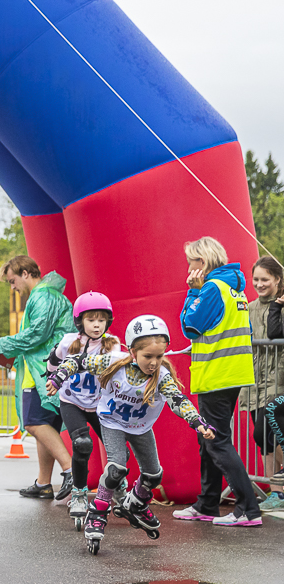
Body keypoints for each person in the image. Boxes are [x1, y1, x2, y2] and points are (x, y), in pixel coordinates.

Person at [47, 315, 218, 554]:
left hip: (140, 427)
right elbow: (77, 360)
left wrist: (197, 421)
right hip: (112, 422)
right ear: (132, 350)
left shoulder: (161, 376)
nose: (154, 363)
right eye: (148, 356)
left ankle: (134, 504)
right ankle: (98, 512)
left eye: (159, 356)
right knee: (116, 468)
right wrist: (58, 376)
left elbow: (177, 400)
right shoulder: (113, 362)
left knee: (154, 475)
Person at [175, 237, 261, 526]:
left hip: (216, 374)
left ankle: (248, 509)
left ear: (203, 263)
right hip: (232, 373)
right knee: (207, 439)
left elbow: (190, 325)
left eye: (191, 261)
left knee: (217, 442)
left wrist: (192, 292)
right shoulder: (234, 289)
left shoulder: (212, 288)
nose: (188, 267)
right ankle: (207, 503)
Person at [0, 255, 76, 501]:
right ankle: (43, 482)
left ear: (26, 273)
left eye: (12, 280)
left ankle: (70, 470)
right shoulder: (48, 295)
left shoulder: (43, 296)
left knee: (33, 423)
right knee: (45, 426)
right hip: (50, 368)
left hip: (41, 371)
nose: (13, 287)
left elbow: (38, 333)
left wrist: (4, 343)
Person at [44, 292, 124, 530]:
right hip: (71, 401)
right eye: (91, 319)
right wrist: (52, 378)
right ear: (81, 321)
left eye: (101, 319)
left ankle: (118, 486)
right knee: (82, 444)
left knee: (120, 453)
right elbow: (52, 363)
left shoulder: (113, 344)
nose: (97, 324)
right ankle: (79, 492)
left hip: (100, 403)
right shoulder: (69, 341)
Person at [242, 256, 284, 510]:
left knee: (264, 431)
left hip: (278, 379)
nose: (259, 284)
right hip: (255, 379)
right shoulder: (249, 307)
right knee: (265, 440)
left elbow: (274, 335)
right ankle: (276, 493)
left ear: (278, 280)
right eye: (256, 279)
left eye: (264, 279)